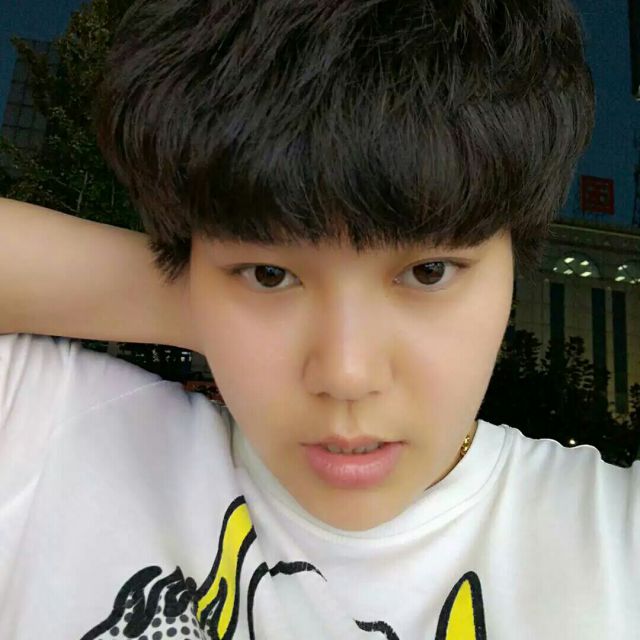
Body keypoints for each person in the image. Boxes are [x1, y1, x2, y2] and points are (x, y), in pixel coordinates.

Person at [0, 0, 637, 638]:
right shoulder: (55, 444)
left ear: (513, 263)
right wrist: (212, 305)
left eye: (428, 272)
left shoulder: (615, 541)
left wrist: (246, 293)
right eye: (268, 273)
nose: (347, 375)